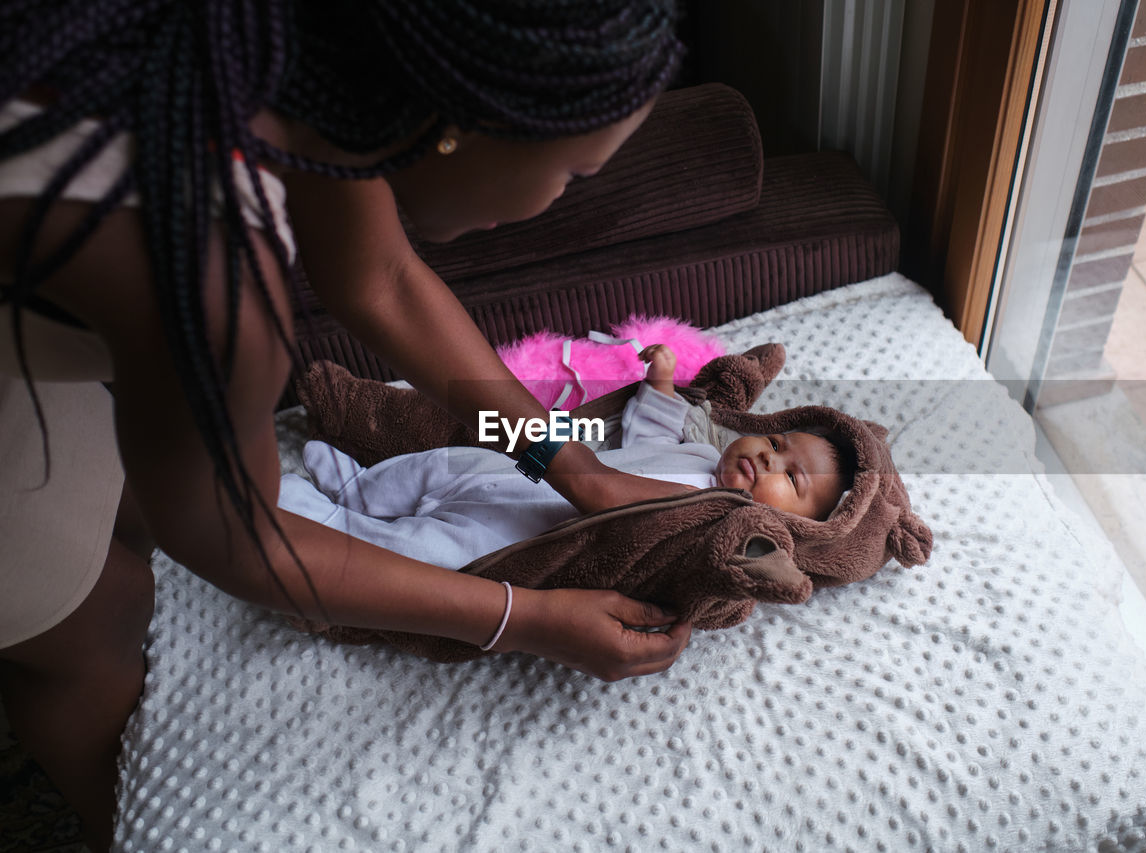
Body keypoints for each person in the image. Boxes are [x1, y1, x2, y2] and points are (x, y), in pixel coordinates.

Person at [0, 2, 690, 848]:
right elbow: (247, 542)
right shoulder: (215, 280)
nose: (559, 198)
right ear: (461, 126)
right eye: (574, 173)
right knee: (95, 614)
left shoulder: (316, 62)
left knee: (123, 501)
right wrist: (529, 619)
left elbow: (382, 280)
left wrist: (573, 467)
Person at [279, 343, 855, 571]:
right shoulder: (699, 447)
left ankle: (337, 524)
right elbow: (644, 430)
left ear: (794, 523)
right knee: (441, 462)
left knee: (430, 554)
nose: (770, 459)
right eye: (777, 444)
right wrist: (660, 384)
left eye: (791, 477)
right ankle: (360, 490)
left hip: (522, 532)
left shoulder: (723, 523)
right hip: (522, 469)